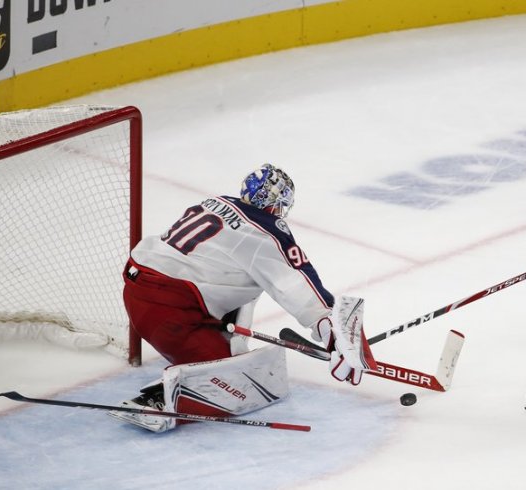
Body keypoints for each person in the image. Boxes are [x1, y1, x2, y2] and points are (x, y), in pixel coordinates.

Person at [110, 163, 372, 432]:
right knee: (239, 383)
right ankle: (166, 399)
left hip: (136, 292)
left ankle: (216, 341)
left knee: (242, 277)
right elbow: (294, 278)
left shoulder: (216, 202)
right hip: (169, 314)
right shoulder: (264, 232)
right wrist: (329, 326)